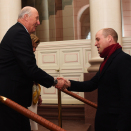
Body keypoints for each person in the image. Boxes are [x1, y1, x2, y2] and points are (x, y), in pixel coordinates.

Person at [0, 6, 65, 131]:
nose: (39, 22)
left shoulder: (17, 31)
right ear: (26, 17)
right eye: (37, 18)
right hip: (11, 98)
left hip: (14, 98)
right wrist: (55, 82)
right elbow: (30, 68)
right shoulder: (20, 33)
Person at [56, 28, 131, 131]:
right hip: (104, 120)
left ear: (109, 38)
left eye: (97, 39)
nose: (95, 43)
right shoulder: (106, 61)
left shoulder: (123, 59)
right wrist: (68, 83)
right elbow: (92, 84)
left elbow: (127, 97)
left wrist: (122, 127)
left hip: (115, 123)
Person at [28, 34, 41, 131]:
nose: (34, 50)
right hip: (25, 92)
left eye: (35, 47)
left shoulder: (32, 58)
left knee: (33, 119)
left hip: (33, 93)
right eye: (32, 47)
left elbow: (36, 77)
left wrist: (39, 95)